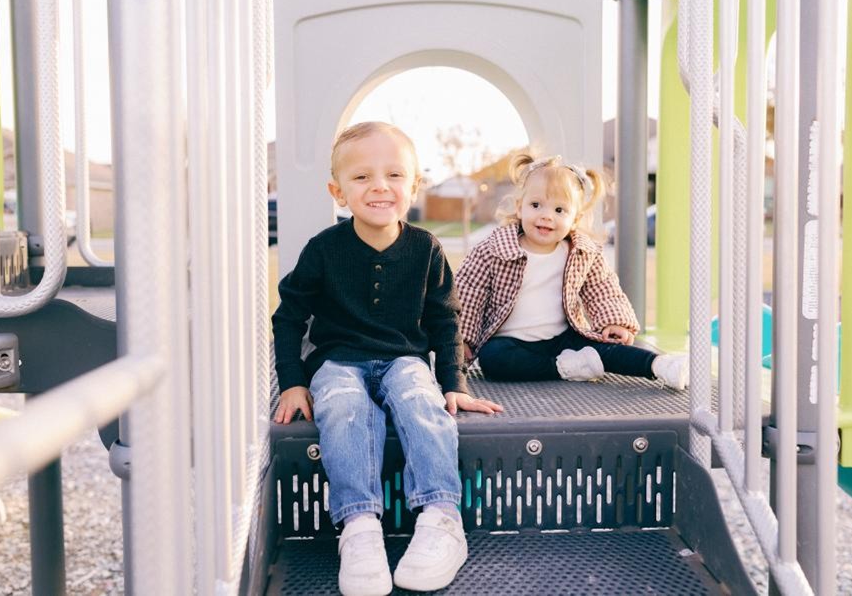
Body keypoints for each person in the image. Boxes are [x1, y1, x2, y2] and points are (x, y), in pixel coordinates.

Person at [272, 121, 503, 596]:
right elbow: (288, 317)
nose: (380, 186)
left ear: (414, 186)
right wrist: (293, 382)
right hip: (339, 360)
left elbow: (444, 321)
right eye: (362, 177)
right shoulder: (324, 250)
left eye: (395, 175)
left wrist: (454, 383)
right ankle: (359, 527)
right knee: (343, 405)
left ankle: (441, 517)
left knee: (422, 399)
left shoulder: (426, 248)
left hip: (404, 359)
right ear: (338, 191)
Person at [456, 154, 688, 390]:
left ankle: (660, 366)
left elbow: (603, 289)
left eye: (559, 210)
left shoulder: (581, 252)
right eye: (536, 205)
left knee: (607, 350)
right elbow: (468, 291)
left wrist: (615, 322)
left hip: (564, 337)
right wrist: (463, 338)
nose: (546, 215)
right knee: (493, 359)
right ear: (520, 207)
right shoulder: (495, 248)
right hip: (511, 341)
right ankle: (563, 367)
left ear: (575, 219)